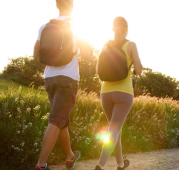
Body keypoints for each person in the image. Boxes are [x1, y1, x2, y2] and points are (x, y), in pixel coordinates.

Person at [32, 0, 93, 169]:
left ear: (57, 6)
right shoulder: (75, 26)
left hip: (49, 79)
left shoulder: (45, 26)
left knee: (61, 121)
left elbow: (35, 55)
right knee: (56, 121)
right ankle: (41, 165)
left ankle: (70, 156)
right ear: (72, 6)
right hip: (68, 79)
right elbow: (88, 55)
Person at [95, 16, 143, 170]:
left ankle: (120, 164)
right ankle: (100, 165)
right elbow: (140, 70)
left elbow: (97, 70)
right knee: (114, 131)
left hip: (106, 93)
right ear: (126, 29)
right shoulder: (131, 45)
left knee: (115, 130)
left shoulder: (106, 45)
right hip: (123, 93)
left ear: (113, 28)